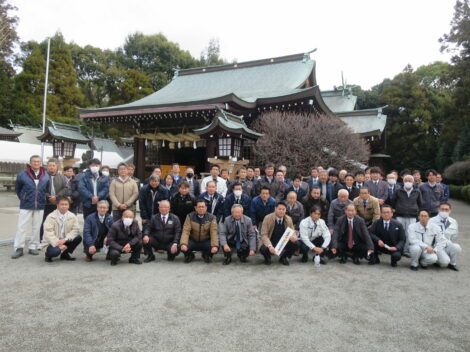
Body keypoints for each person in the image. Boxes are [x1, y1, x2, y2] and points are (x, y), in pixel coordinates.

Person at [11, 155, 50, 259]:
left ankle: (33, 246)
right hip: (26, 204)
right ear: (30, 163)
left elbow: (47, 189)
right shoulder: (22, 175)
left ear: (41, 163)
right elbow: (18, 189)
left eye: (38, 161)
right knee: (21, 227)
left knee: (37, 227)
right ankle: (19, 248)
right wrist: (23, 198)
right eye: (34, 161)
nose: (36, 163)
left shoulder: (46, 175)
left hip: (40, 204)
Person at [42, 197, 82, 263]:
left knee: (78, 238)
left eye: (66, 204)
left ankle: (65, 254)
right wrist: (58, 244)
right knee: (55, 251)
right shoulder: (51, 216)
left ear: (68, 206)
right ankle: (48, 255)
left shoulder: (72, 216)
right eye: (62, 204)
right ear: (57, 205)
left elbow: (75, 230)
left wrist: (65, 239)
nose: (64, 206)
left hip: (65, 239)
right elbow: (48, 232)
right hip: (52, 241)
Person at [40, 158, 68, 241]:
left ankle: (55, 239)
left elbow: (65, 188)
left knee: (57, 222)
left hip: (57, 203)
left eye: (53, 165)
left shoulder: (62, 177)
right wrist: (49, 197)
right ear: (47, 167)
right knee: (44, 222)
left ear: (57, 166)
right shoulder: (42, 177)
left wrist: (57, 196)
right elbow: (40, 189)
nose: (51, 167)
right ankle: (42, 239)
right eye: (49, 166)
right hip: (45, 203)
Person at [429, 202, 461, 271]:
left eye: (446, 209)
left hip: (447, 244)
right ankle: (437, 259)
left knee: (457, 247)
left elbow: (454, 235)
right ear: (438, 210)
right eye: (442, 209)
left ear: (450, 211)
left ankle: (452, 264)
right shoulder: (431, 221)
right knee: (444, 262)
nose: (444, 211)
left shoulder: (453, 221)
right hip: (436, 246)